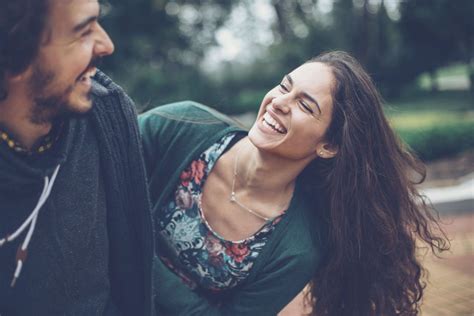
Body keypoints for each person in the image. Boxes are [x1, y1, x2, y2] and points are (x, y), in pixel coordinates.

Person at [140, 51, 449, 316]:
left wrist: (132, 251)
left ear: (328, 146)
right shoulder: (178, 125)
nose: (279, 102)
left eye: (305, 105)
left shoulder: (297, 248)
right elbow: (95, 177)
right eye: (284, 86)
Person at [0, 0, 154, 315]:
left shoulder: (107, 112)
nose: (107, 45)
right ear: (15, 55)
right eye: (82, 32)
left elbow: (133, 282)